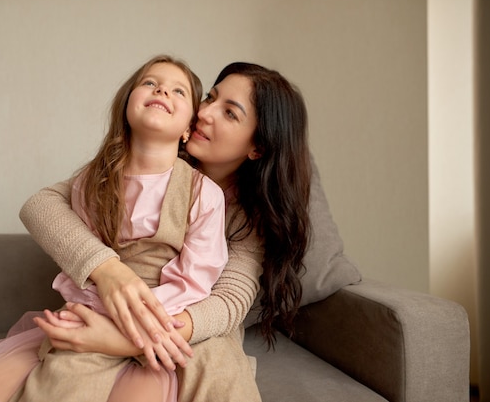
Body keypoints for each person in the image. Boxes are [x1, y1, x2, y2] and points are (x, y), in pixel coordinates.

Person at [0, 54, 230, 402]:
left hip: (157, 323)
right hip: (94, 314)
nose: (161, 89)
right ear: (127, 103)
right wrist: (94, 311)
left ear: (189, 127)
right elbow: (80, 260)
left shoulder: (203, 193)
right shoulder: (90, 181)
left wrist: (134, 321)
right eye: (149, 82)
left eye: (179, 91)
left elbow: (195, 280)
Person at [19, 61, 312, 402]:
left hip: (184, 332)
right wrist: (109, 270)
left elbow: (229, 302)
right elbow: (41, 205)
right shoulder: (153, 162)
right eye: (210, 98)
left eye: (230, 113)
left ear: (257, 147)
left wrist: (123, 339)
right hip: (113, 307)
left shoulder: (248, 216)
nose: (205, 113)